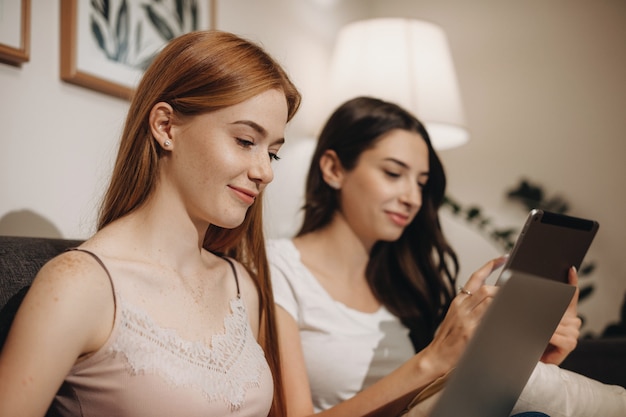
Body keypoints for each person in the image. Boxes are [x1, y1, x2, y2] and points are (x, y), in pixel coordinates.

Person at [0, 30, 301, 417]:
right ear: (165, 127)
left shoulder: (241, 285)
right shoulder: (78, 285)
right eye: (245, 141)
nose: (265, 172)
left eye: (273, 154)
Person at [267, 96, 626, 416]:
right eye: (393, 173)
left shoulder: (401, 282)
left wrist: (530, 364)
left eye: (421, 182)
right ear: (333, 168)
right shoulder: (277, 269)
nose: (412, 197)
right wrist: (433, 359)